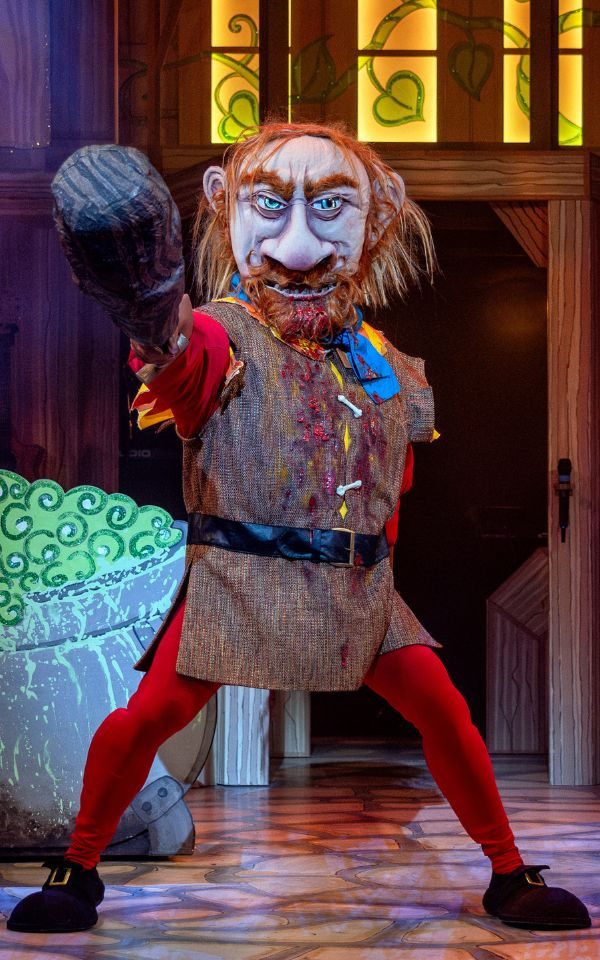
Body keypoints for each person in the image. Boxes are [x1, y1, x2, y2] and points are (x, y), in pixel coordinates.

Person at [8, 121, 590, 934]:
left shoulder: (387, 361)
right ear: (224, 208)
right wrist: (148, 311)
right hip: (238, 582)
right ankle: (77, 867)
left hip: (357, 588)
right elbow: (178, 362)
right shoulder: (222, 332)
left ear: (375, 216)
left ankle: (506, 870)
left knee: (445, 711)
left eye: (329, 207)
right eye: (269, 205)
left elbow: (396, 482)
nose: (298, 242)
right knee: (148, 716)